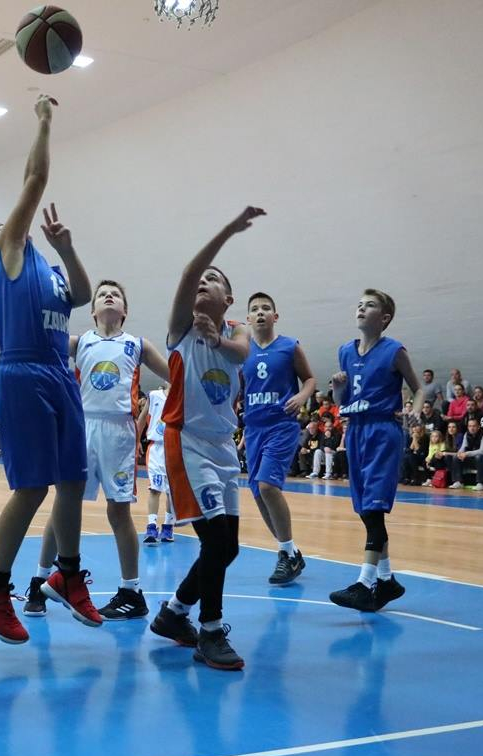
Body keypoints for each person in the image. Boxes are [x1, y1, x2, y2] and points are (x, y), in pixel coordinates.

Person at [0, 95, 100, 644]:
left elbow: (83, 295)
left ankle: (66, 574)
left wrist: (66, 249)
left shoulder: (45, 267)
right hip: (22, 373)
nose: (7, 223)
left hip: (58, 372)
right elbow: (36, 179)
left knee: (73, 480)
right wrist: (44, 121)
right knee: (32, 489)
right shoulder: (11, 257)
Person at [147, 206, 261, 671]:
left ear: (228, 299)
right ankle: (210, 631)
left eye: (213, 280)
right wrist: (228, 231)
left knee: (228, 547)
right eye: (202, 278)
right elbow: (188, 273)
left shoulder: (236, 333)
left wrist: (218, 340)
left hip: (223, 447)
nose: (202, 281)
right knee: (215, 542)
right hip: (187, 442)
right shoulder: (181, 328)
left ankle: (174, 613)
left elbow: (242, 352)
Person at [24, 279, 169, 621]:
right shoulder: (79, 342)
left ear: (125, 310)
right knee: (63, 506)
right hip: (81, 426)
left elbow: (176, 376)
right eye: (103, 294)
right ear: (92, 311)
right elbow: (41, 342)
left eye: (115, 294)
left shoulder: (138, 345)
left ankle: (131, 591)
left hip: (119, 432)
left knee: (118, 512)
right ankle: (40, 581)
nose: (108, 296)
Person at [328, 289, 422, 613]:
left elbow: (418, 388)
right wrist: (338, 389)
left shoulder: (394, 351)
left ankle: (364, 582)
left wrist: (415, 410)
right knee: (364, 509)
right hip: (356, 430)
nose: (361, 308)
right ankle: (386, 579)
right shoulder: (345, 351)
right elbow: (342, 401)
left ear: (384, 318)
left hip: (383, 431)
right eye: (359, 304)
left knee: (373, 508)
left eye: (369, 305)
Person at [241, 291, 316, 585]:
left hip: (281, 425)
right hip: (253, 428)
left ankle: (286, 552)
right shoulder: (242, 350)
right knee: (259, 494)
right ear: (248, 318)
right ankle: (291, 552)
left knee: (268, 486)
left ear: (275, 316)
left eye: (265, 308)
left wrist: (302, 396)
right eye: (255, 309)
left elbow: (309, 378)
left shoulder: (289, 346)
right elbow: (238, 388)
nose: (260, 312)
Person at [139, 382, 176, 543]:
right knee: (155, 488)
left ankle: (168, 527)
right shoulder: (154, 395)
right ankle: (151, 526)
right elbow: (142, 419)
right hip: (156, 449)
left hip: (176, 448)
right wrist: (136, 440)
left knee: (172, 492)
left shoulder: (184, 398)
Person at [449, 417, 483, 488]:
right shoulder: (466, 434)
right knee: (456, 457)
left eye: (474, 426)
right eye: (470, 426)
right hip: (472, 459)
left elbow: (482, 451)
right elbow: (463, 448)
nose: (472, 428)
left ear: (478, 427)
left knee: (479, 457)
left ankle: (480, 483)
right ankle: (458, 481)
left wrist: (466, 454)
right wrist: (460, 454)